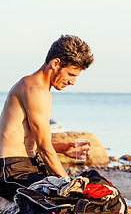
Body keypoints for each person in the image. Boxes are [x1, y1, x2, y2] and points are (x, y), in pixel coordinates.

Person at [0, 35, 94, 201]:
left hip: (27, 167)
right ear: (55, 63)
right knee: (71, 198)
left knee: (93, 181)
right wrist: (68, 184)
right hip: (11, 172)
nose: (72, 82)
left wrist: (62, 148)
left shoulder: (40, 89)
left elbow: (30, 142)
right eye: (71, 74)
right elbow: (44, 149)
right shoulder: (34, 90)